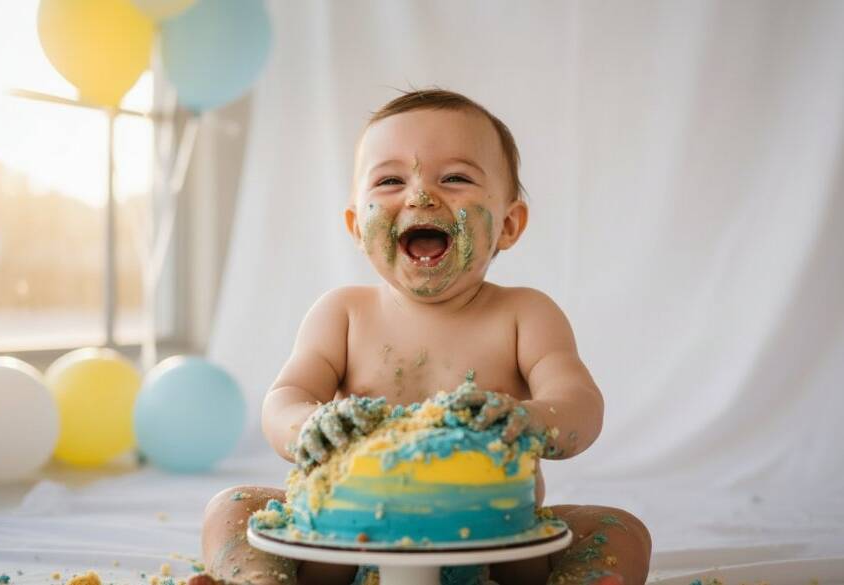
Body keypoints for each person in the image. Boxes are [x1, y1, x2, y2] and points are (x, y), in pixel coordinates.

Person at [197, 89, 651, 585]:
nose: (420, 195)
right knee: (233, 506)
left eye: (455, 178)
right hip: (342, 545)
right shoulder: (342, 314)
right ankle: (258, 581)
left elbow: (580, 404)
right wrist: (309, 425)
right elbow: (284, 398)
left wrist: (531, 420)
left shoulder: (525, 314)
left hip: (494, 549)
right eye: (390, 180)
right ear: (356, 225)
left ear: (508, 224)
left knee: (620, 529)